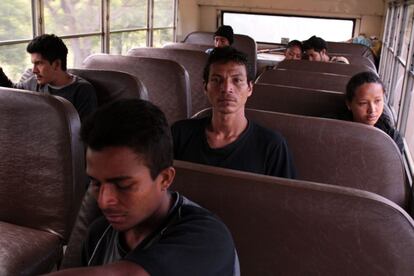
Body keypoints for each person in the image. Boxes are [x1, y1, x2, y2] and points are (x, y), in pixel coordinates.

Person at [46, 99, 239, 275]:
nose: (104, 201)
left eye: (123, 185)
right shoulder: (99, 234)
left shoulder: (207, 237)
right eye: (96, 183)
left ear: (165, 179)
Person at [172, 47, 296, 178]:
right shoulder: (180, 134)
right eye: (216, 80)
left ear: (250, 88)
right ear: (205, 88)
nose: (226, 88)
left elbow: (286, 197)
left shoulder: (272, 146)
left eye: (237, 80)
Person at [0, 34, 97, 120]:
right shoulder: (34, 82)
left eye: (39, 63)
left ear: (56, 64)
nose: (34, 70)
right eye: (33, 64)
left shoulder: (82, 91)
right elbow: (12, 91)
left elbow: (86, 133)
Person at [331, 71, 403, 153]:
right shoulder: (331, 129)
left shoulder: (393, 139)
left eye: (377, 101)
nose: (372, 110)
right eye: (363, 103)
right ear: (349, 104)